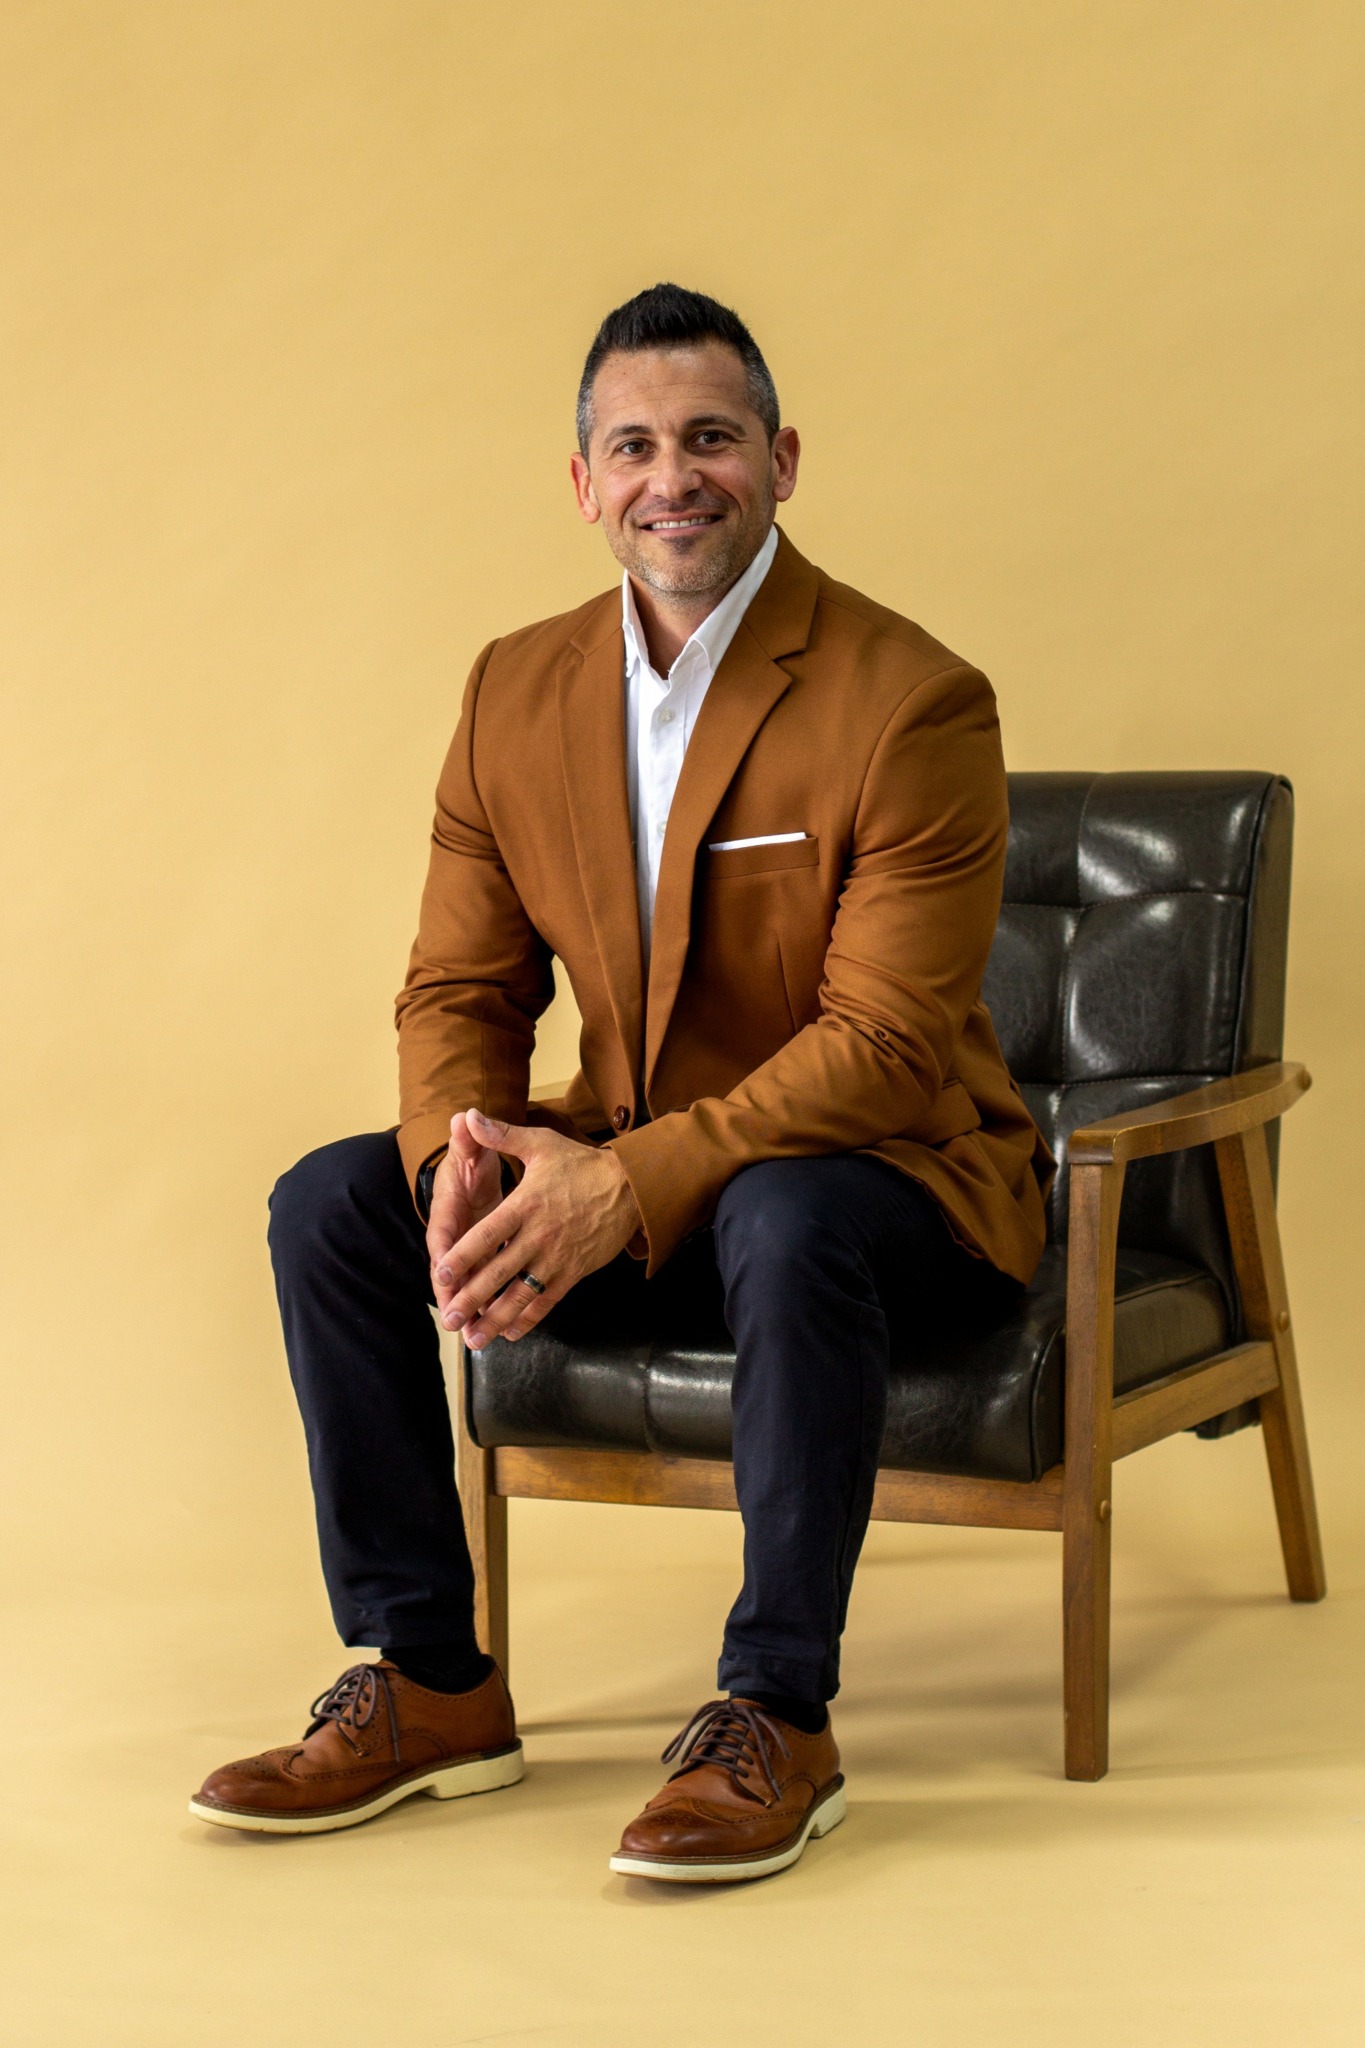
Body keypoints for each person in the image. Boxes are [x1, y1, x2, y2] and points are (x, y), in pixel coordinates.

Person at [190, 283, 1051, 1881]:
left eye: (711, 438)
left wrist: (620, 1186)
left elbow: (881, 1049)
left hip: (893, 1193)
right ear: (582, 483)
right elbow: (460, 987)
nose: (674, 477)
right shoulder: (513, 688)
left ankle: (776, 1713)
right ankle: (430, 1682)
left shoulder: (911, 698)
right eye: (635, 447)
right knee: (331, 1203)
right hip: (637, 1175)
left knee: (785, 1213)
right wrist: (458, 1161)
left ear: (781, 461)